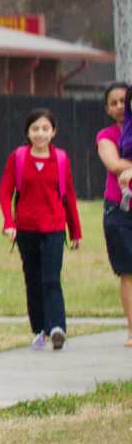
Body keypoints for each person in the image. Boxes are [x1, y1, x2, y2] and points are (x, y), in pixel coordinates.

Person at [0, 108, 82, 351]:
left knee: (51, 279)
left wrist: (75, 230)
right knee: (33, 280)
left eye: (45, 128)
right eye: (35, 128)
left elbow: (69, 196)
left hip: (54, 228)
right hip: (26, 229)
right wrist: (8, 222)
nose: (40, 133)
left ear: (53, 132)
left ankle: (58, 328)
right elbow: (5, 192)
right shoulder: (18, 157)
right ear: (27, 132)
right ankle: (39, 330)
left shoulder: (62, 159)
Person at [94, 82, 132, 347]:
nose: (120, 106)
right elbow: (114, 164)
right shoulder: (106, 135)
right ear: (107, 109)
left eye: (124, 101)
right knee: (128, 272)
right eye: (114, 102)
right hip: (119, 210)